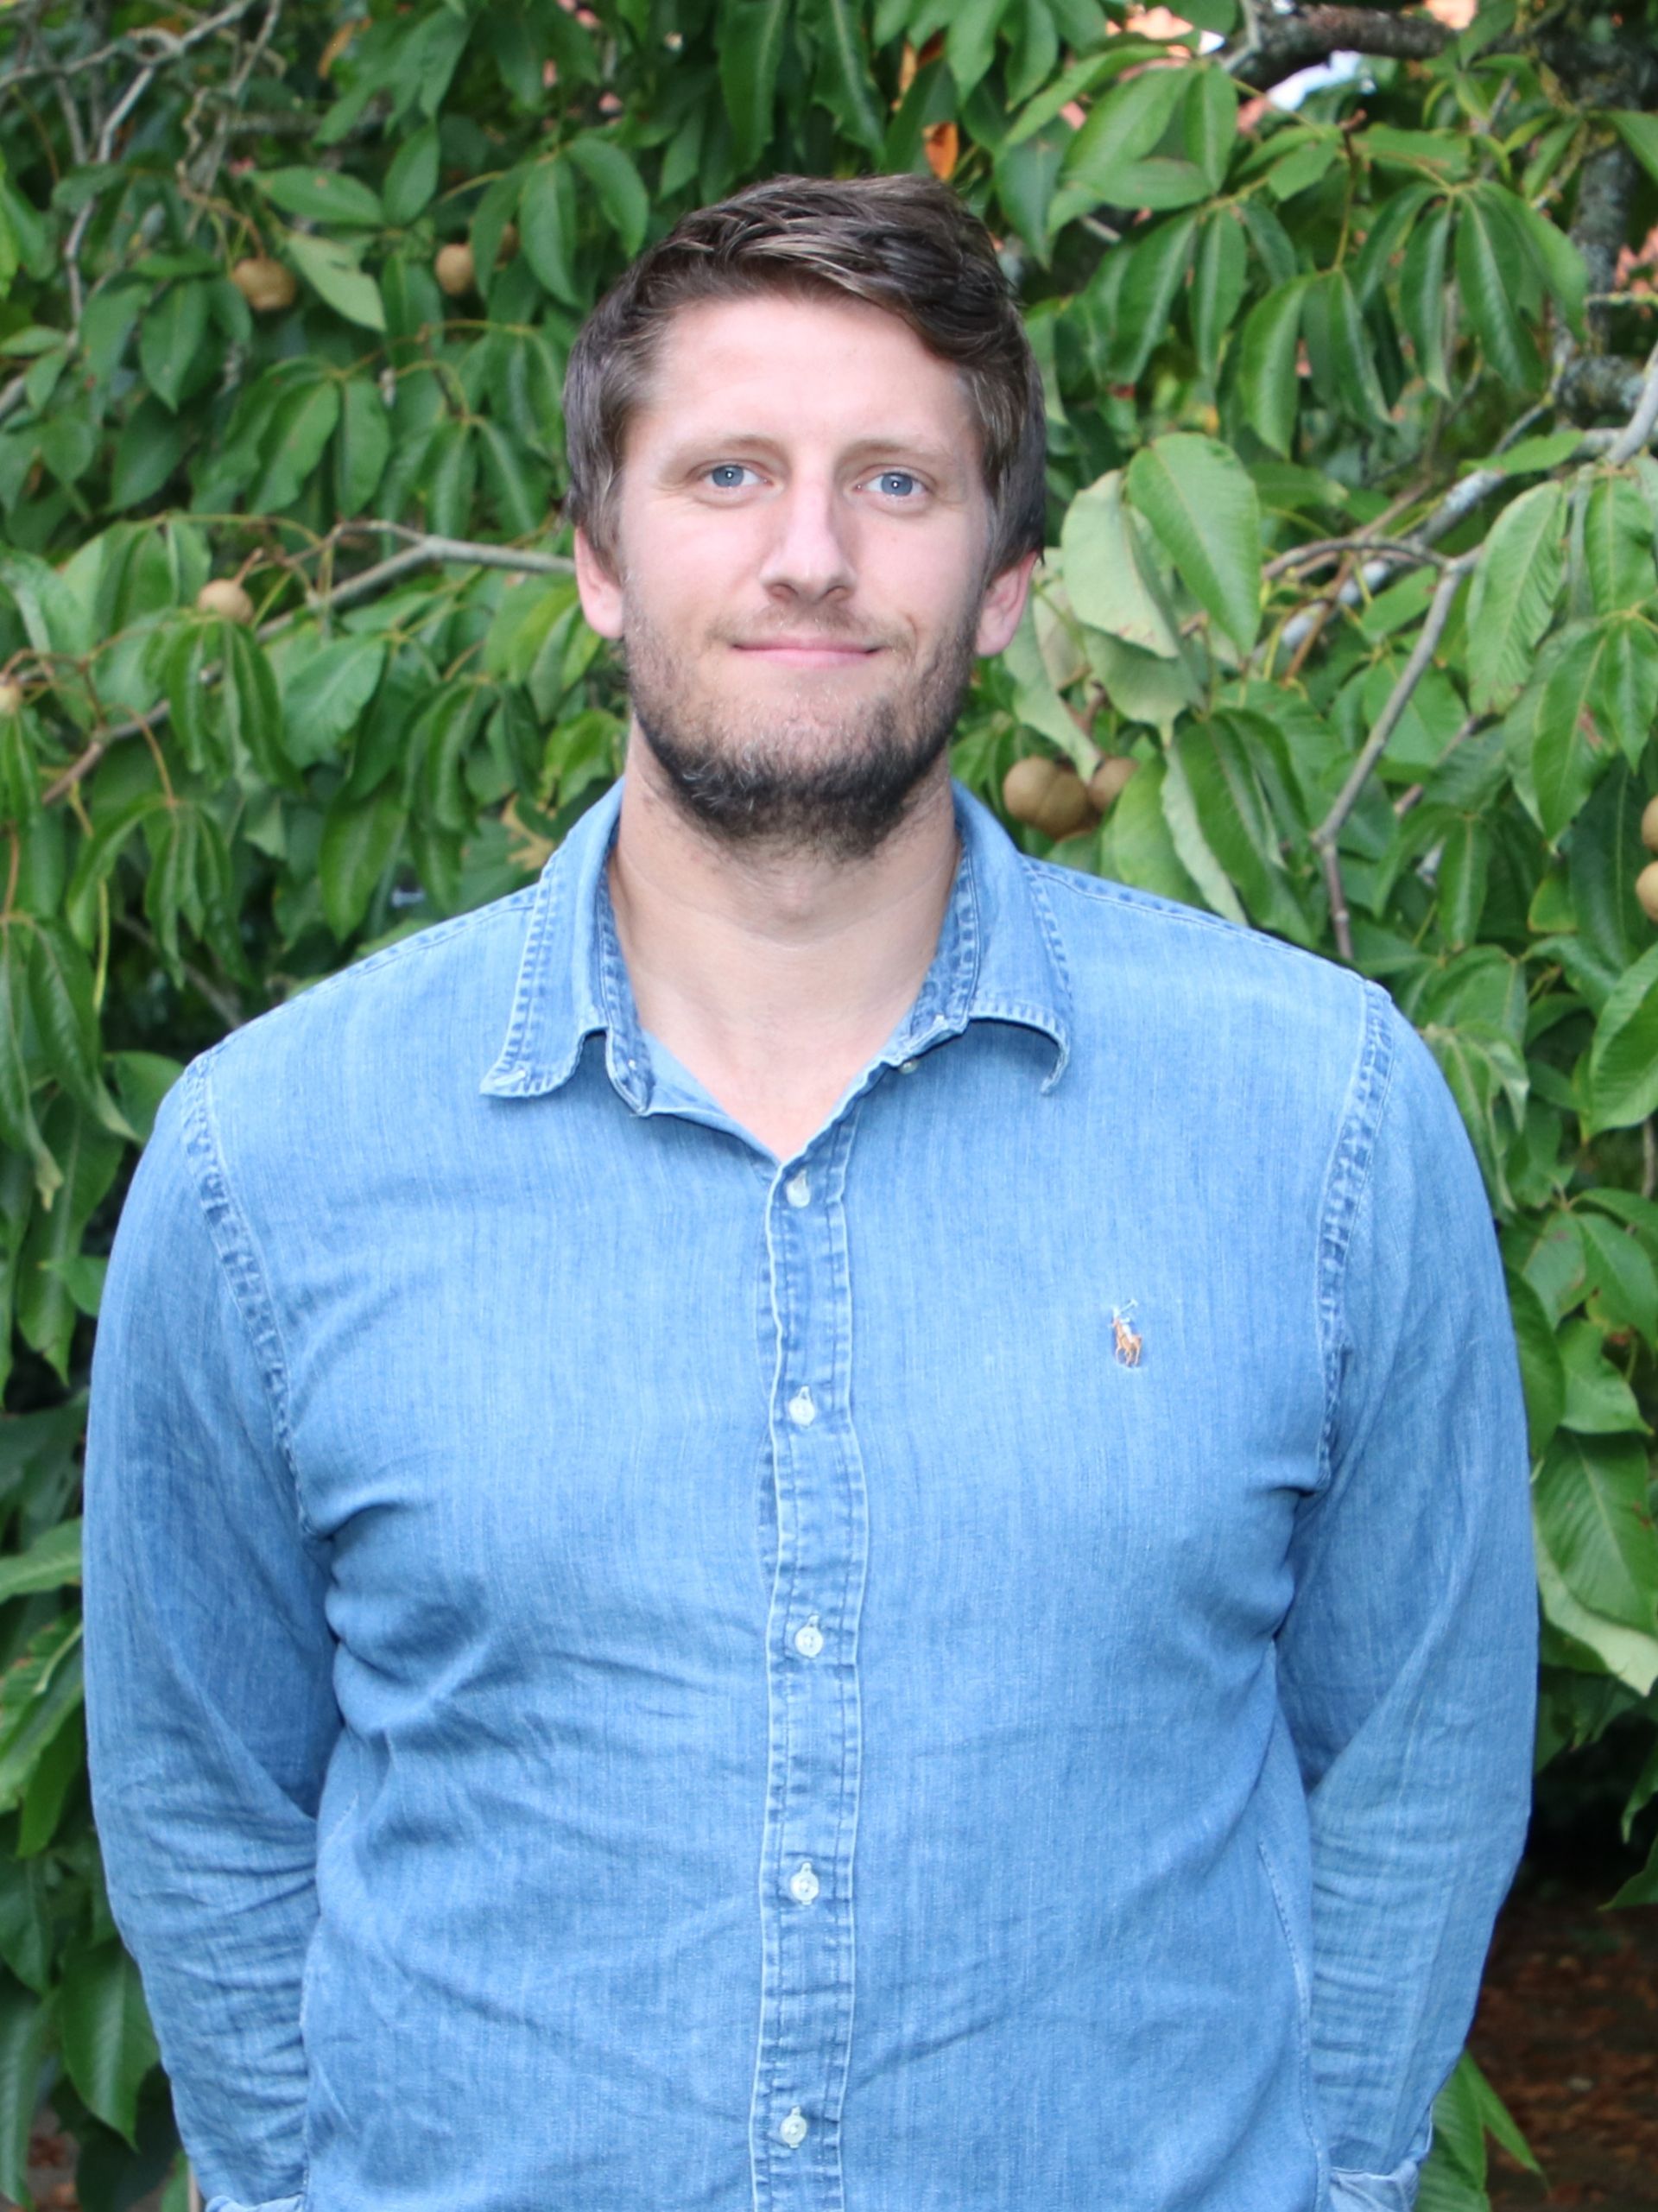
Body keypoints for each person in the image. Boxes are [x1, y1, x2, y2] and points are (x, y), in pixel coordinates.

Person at [83, 172, 1536, 2212]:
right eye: (728, 473)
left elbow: (1419, 1760)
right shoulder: (269, 1161)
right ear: (597, 558)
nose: (810, 555)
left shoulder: (1324, 1122)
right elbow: (202, 1799)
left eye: (897, 483)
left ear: (1006, 579)